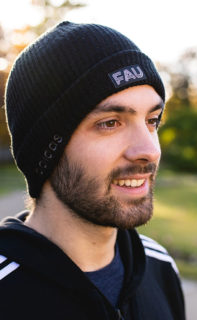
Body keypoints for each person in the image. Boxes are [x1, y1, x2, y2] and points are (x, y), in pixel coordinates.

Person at [0, 21, 185, 320]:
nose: (149, 150)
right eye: (110, 123)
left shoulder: (160, 267)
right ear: (47, 149)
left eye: (152, 121)